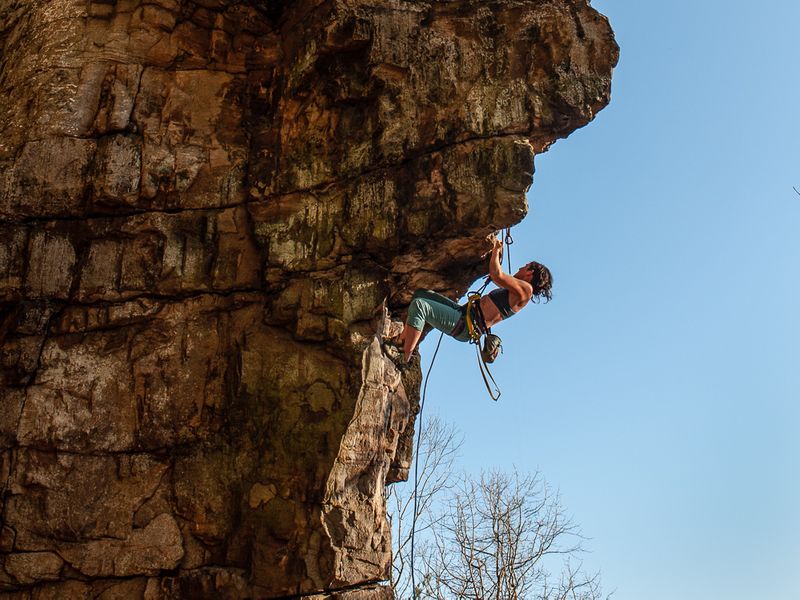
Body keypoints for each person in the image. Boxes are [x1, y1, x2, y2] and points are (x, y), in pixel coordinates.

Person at [390, 235, 553, 364]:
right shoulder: (519, 292)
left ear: (530, 273)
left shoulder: (526, 290)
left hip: (466, 325)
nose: (520, 268)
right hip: (463, 314)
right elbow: (498, 276)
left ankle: (404, 358)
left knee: (420, 306)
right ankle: (402, 340)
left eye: (524, 266)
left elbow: (498, 275)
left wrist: (496, 250)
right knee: (421, 294)